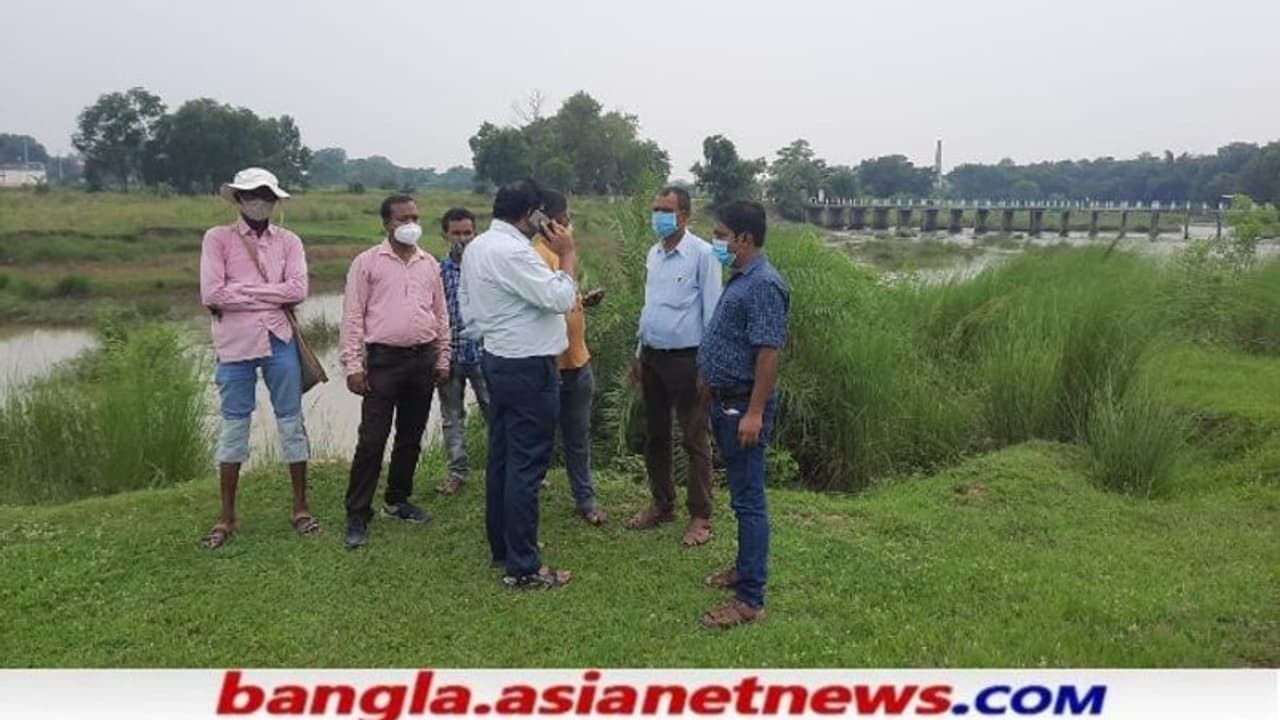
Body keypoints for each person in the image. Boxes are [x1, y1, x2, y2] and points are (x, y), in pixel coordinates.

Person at [460, 178, 578, 588]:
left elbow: (467, 309)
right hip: (529, 367)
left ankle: (504, 547)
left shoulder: (476, 248)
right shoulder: (515, 253)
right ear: (532, 215)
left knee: (503, 458)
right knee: (527, 466)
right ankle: (524, 566)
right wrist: (566, 255)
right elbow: (561, 298)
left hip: (497, 359)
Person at [199, 167, 316, 549]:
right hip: (234, 346)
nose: (260, 201)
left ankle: (300, 508)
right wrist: (270, 293)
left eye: (266, 194)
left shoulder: (289, 241)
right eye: (253, 194)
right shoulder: (217, 239)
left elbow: (298, 290)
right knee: (234, 426)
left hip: (279, 339)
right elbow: (213, 293)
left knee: (291, 422)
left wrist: (242, 293)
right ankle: (227, 516)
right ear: (238, 198)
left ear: (275, 200)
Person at [696, 200, 790, 629]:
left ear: (744, 239)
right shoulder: (742, 278)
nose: (716, 241)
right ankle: (742, 569)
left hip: (741, 405)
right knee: (739, 494)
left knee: (749, 500)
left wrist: (754, 413)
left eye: (720, 235)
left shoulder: (764, 284)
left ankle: (750, 598)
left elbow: (768, 354)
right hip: (724, 399)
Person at [339, 195, 451, 549]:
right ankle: (358, 512)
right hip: (384, 360)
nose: (411, 223)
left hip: (422, 358)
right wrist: (353, 365)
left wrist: (442, 357)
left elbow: (441, 312)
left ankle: (397, 499)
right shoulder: (367, 263)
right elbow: (353, 316)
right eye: (404, 218)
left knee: (410, 436)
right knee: (372, 439)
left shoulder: (428, 263)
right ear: (387, 223)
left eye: (416, 216)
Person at [625, 186, 723, 547]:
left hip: (689, 360)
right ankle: (662, 504)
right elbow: (650, 307)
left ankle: (700, 515)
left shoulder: (703, 255)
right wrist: (639, 353)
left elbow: (712, 314)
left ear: (685, 216)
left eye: (666, 210)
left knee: (695, 438)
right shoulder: (654, 253)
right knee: (656, 436)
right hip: (652, 357)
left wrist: (708, 367)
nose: (658, 216)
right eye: (655, 209)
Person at [531, 190, 607, 526]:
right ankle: (527, 495)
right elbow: (548, 304)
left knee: (578, 436)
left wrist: (583, 302)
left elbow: (564, 299)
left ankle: (585, 498)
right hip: (548, 367)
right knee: (537, 436)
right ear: (547, 221)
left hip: (578, 361)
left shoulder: (564, 256)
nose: (568, 222)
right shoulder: (534, 258)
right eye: (564, 217)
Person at [436, 207, 490, 496]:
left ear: (476, 233)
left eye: (467, 232)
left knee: (496, 412)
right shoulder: (437, 271)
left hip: (485, 354)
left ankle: (507, 468)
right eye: (456, 233)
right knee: (452, 416)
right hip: (451, 355)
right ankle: (457, 471)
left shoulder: (486, 269)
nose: (462, 239)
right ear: (445, 235)